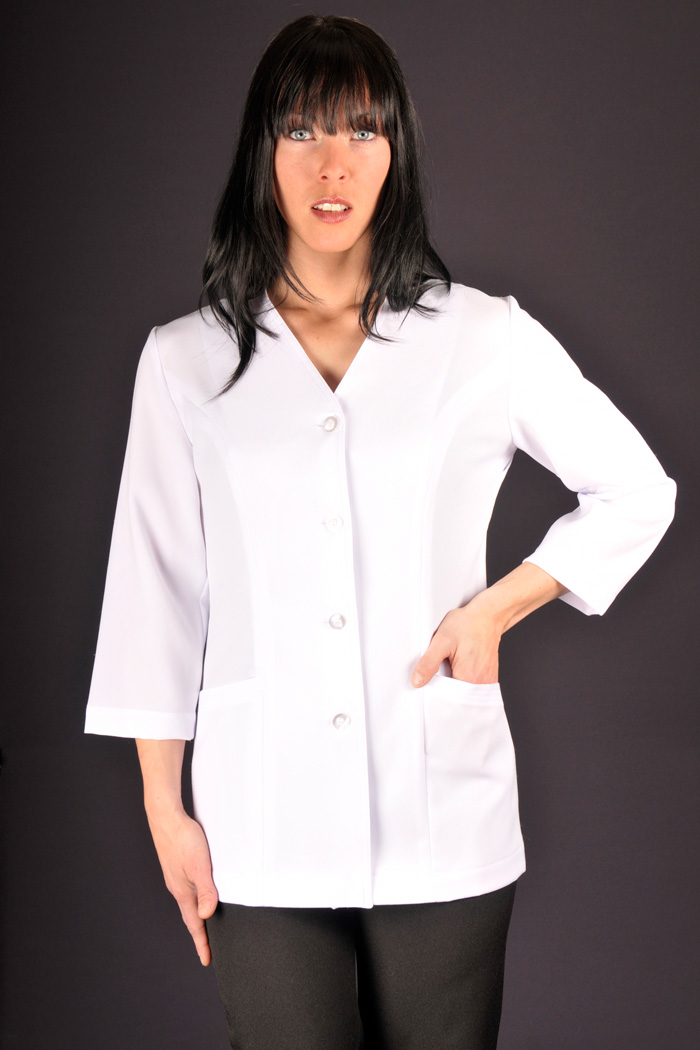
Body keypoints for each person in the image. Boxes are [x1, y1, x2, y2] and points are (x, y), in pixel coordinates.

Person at [84, 13, 676, 1050]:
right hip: (257, 810)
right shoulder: (184, 361)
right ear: (262, 150)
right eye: (302, 128)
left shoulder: (481, 336)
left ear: (396, 150)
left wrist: (496, 609)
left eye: (362, 129)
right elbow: (156, 594)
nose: (333, 163)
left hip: (436, 800)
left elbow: (638, 488)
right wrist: (163, 810)